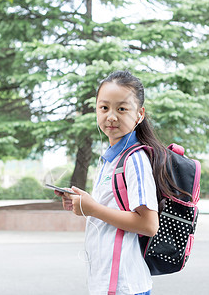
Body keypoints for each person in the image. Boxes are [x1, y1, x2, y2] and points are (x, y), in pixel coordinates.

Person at [56, 70, 182, 295]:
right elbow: (111, 208)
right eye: (104, 108)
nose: (111, 116)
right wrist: (85, 205)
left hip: (124, 284)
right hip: (107, 282)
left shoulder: (135, 160)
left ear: (139, 114)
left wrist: (93, 208)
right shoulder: (110, 158)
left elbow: (148, 224)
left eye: (121, 108)